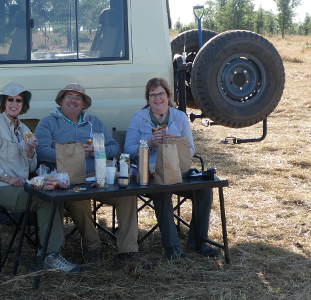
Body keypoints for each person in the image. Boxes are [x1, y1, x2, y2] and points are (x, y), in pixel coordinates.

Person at [35, 83, 149, 268]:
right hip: (69, 180)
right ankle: (92, 247)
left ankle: (128, 251)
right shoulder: (48, 122)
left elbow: (114, 148)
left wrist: (98, 150)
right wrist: (73, 152)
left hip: (99, 177)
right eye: (69, 97)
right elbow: (40, 151)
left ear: (83, 104)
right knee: (78, 199)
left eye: (77, 98)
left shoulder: (94, 122)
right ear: (62, 101)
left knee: (127, 195)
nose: (73, 100)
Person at [0, 81, 80, 273]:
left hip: (17, 186)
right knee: (46, 200)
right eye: (10, 100)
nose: (14, 104)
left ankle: (50, 250)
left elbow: (31, 166)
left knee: (54, 194)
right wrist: (6, 177)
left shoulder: (23, 129)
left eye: (19, 100)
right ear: (3, 103)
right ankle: (49, 255)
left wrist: (30, 150)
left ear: (24, 105)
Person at [124, 77, 220, 259]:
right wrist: (149, 143)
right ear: (148, 98)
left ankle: (198, 241)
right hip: (150, 174)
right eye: (153, 95)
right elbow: (127, 150)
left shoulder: (180, 117)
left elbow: (191, 150)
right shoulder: (139, 118)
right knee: (162, 189)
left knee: (205, 190)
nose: (157, 98)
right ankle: (172, 248)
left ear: (168, 96)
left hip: (179, 171)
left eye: (161, 94)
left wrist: (174, 142)